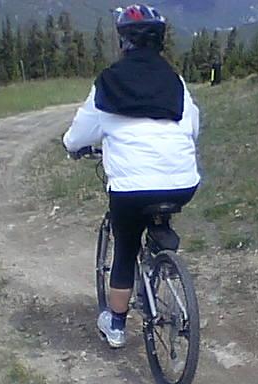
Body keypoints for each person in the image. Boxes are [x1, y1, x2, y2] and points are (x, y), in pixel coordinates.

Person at [63, 4, 201, 349]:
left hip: (131, 189)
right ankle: (160, 259)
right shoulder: (175, 81)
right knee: (156, 211)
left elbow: (79, 136)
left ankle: (116, 325)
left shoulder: (108, 81)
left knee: (124, 249)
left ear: (123, 40)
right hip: (183, 182)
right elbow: (193, 127)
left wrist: (73, 147)